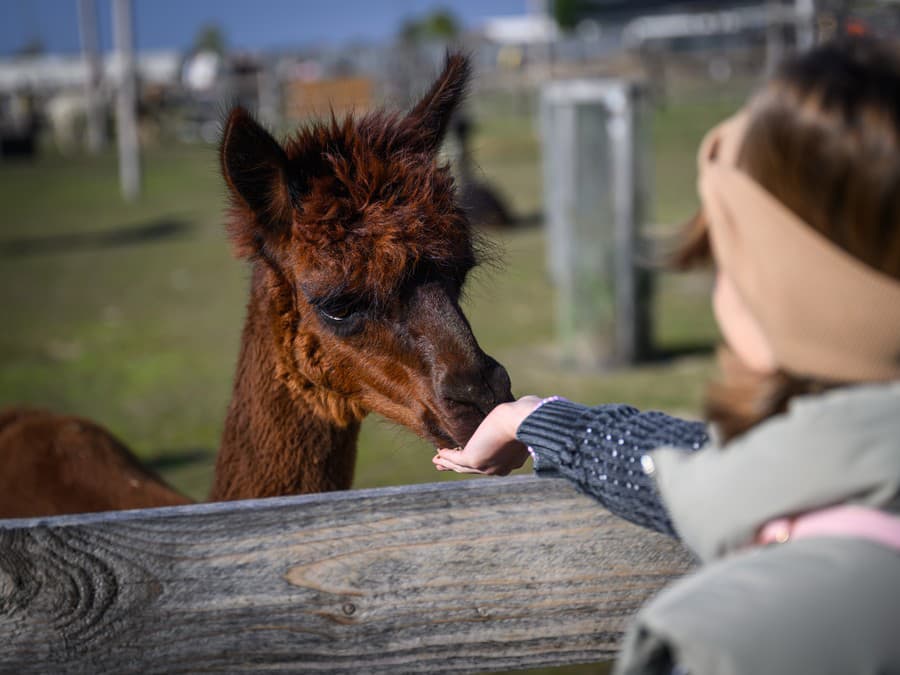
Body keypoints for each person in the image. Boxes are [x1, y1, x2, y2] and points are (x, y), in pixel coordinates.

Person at [434, 36, 900, 675]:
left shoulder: (720, 646)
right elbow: (695, 473)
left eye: (724, 259)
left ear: (780, 295)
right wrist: (534, 418)